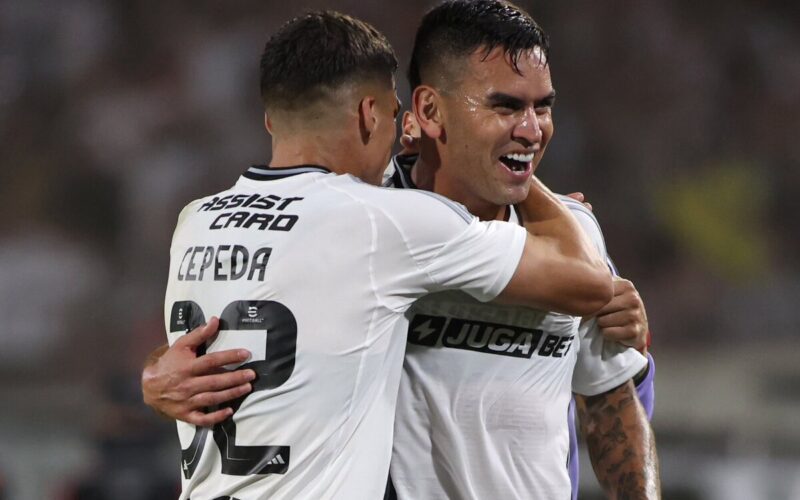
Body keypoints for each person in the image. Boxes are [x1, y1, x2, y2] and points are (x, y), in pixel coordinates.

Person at [153, 9, 612, 500]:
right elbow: (588, 282)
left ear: (271, 118)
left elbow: (235, 334)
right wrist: (526, 177)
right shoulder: (385, 221)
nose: (401, 132)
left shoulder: (196, 219)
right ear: (369, 115)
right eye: (395, 114)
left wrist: (152, 374)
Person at [382, 1, 659, 499]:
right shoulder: (371, 221)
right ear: (428, 110)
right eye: (505, 106)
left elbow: (611, 407)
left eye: (543, 106)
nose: (532, 130)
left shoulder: (574, 240)